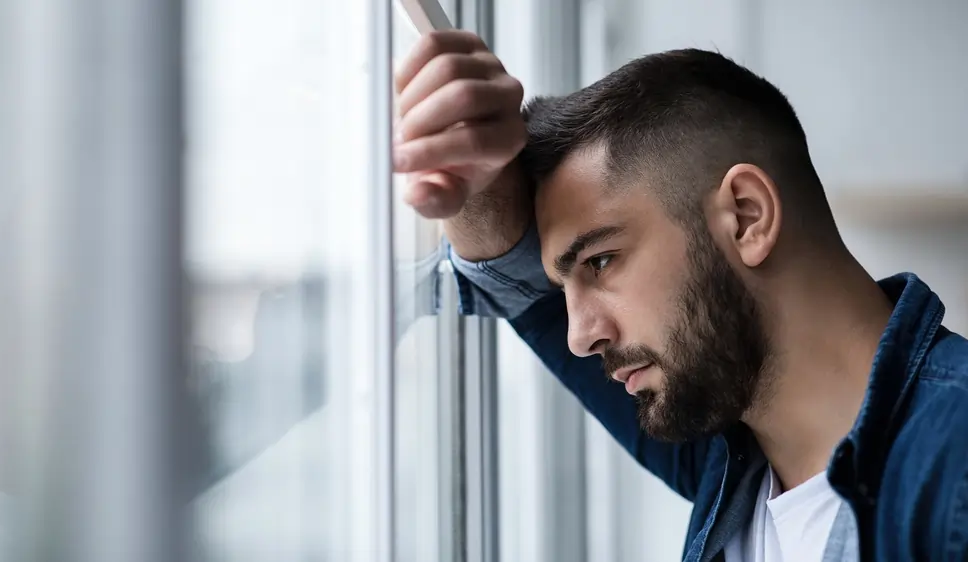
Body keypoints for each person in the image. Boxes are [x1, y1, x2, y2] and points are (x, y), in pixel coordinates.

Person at [393, 29, 968, 561]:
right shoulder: (730, 451)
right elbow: (518, 284)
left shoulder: (953, 467)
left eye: (601, 260)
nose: (578, 336)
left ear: (746, 217)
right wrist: (471, 179)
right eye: (565, 283)